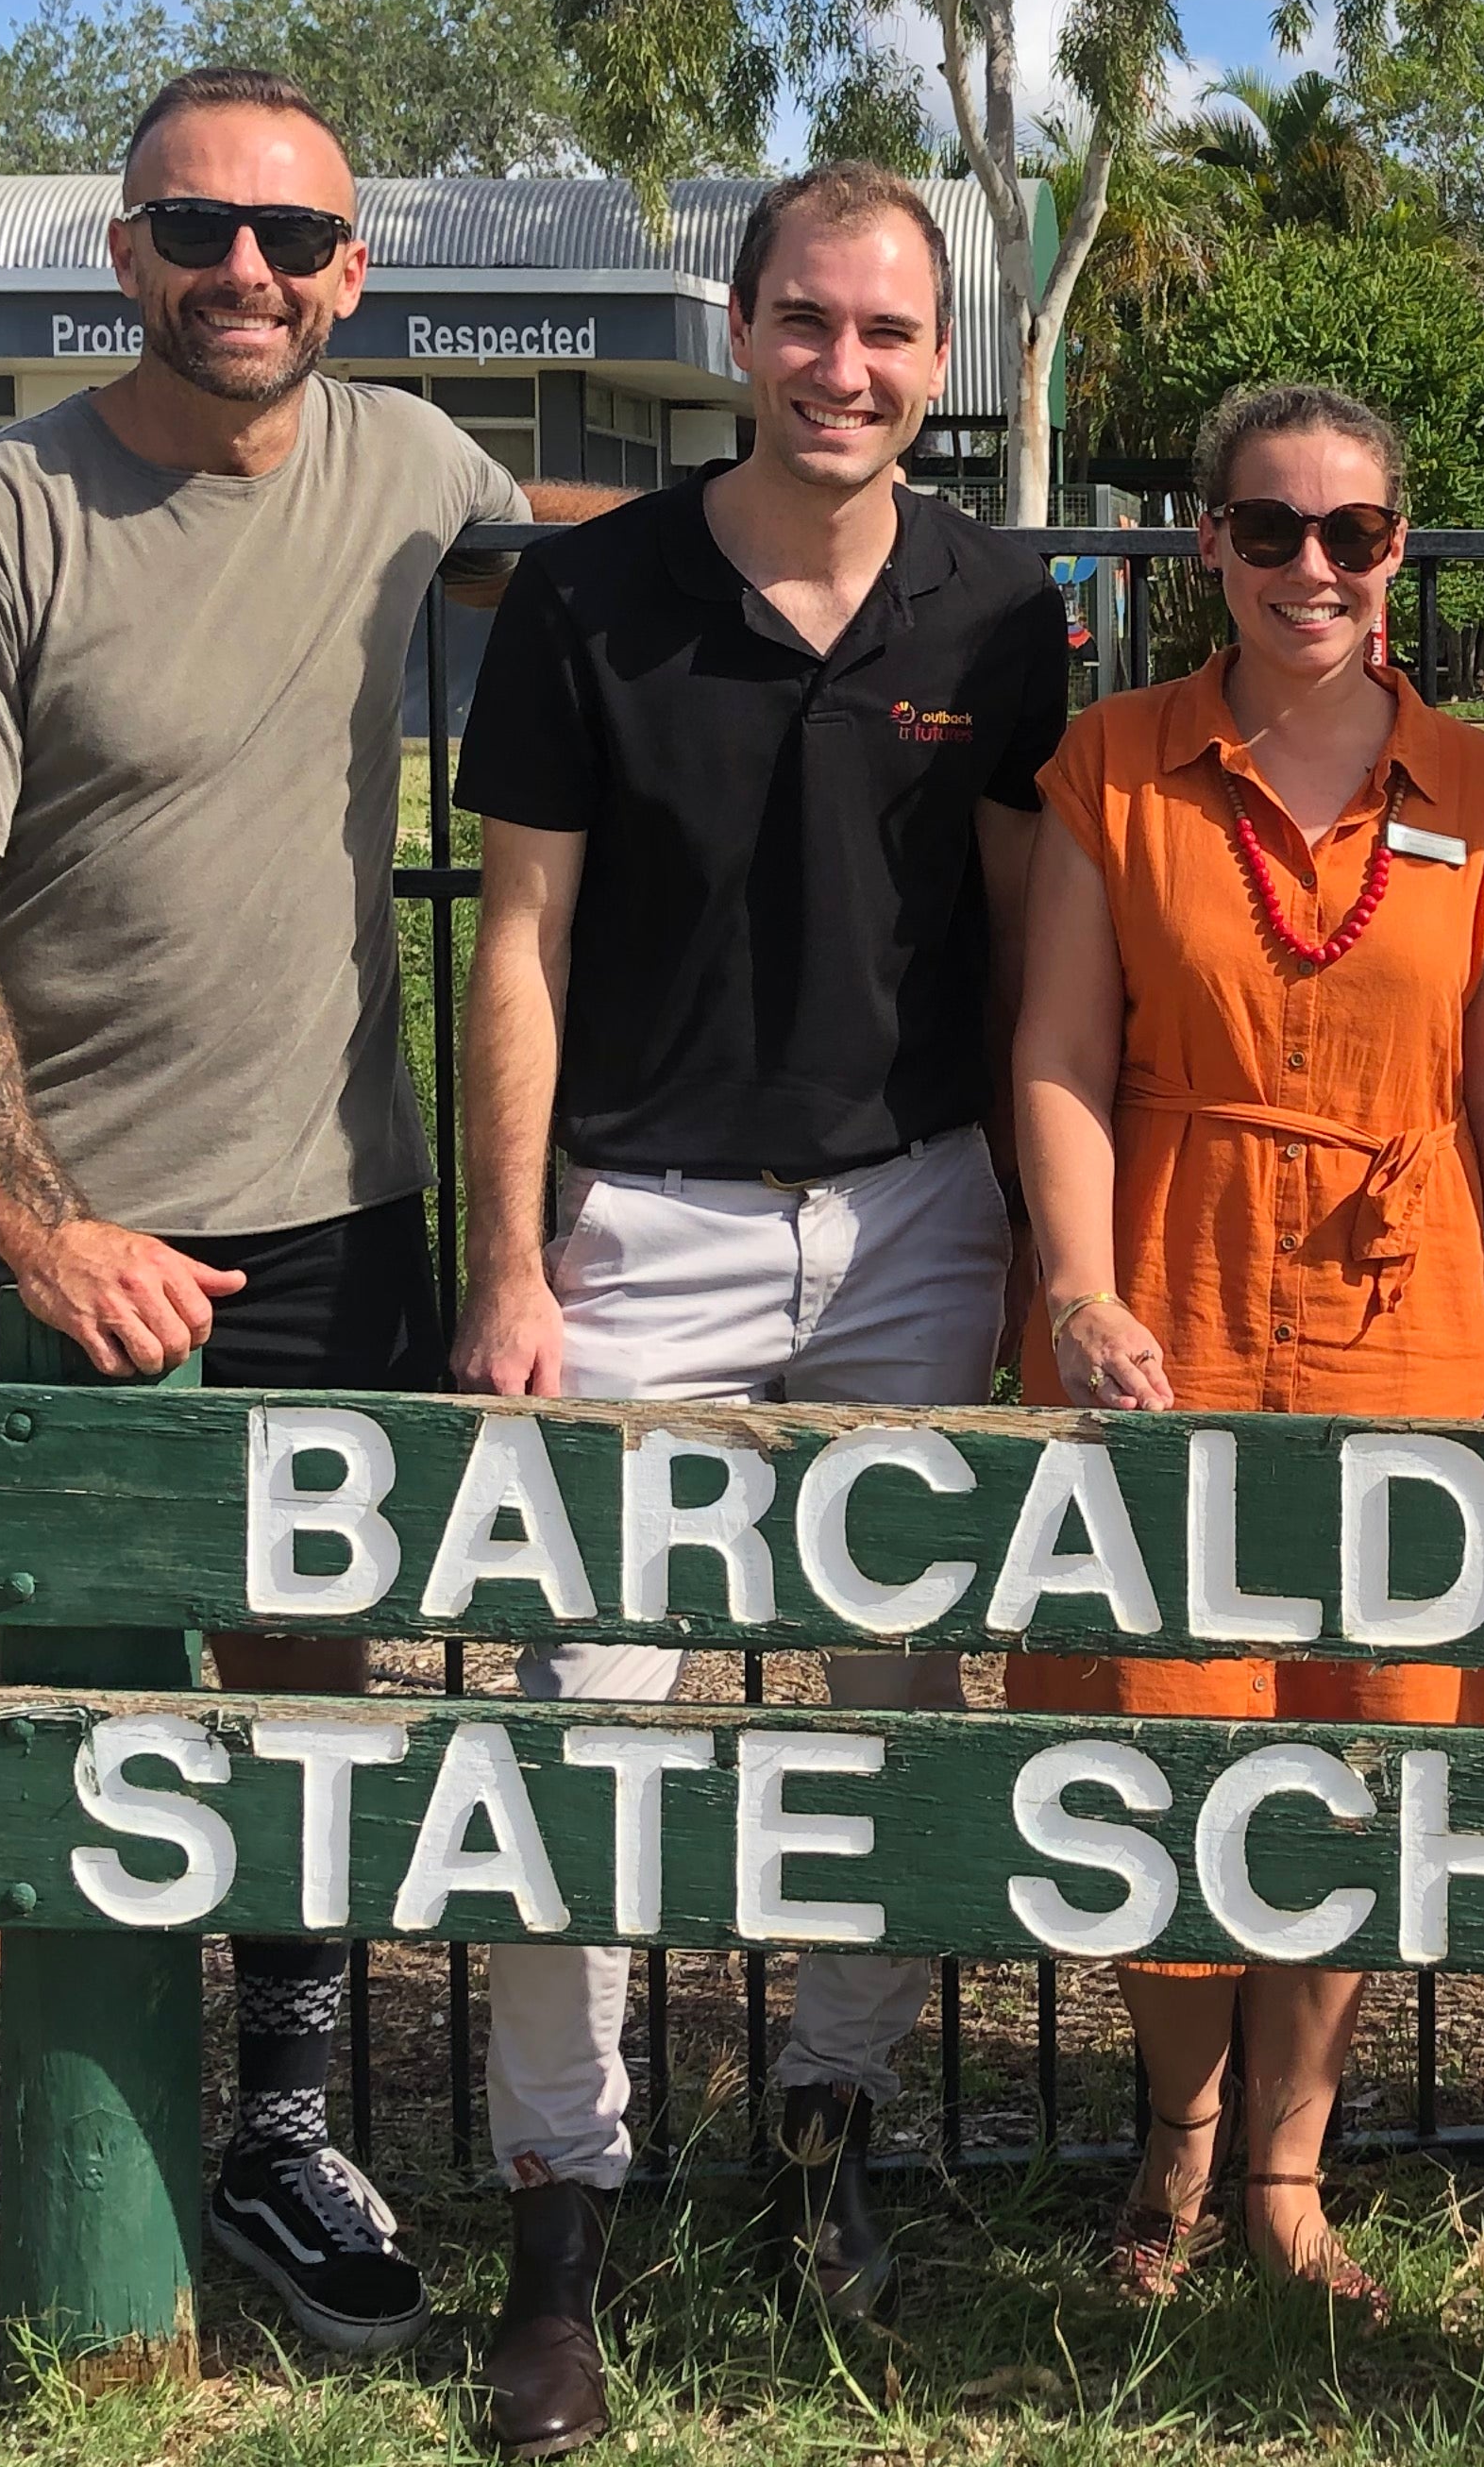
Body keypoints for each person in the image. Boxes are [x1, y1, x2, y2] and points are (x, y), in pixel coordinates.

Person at [0, 68, 599, 2408]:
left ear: (357, 272)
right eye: (198, 226)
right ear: (122, 248)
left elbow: (589, 545)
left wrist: (796, 514)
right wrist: (47, 1232)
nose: (248, 268)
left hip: (333, 1213)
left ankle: (285, 2133)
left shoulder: (405, 469)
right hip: (54, 1234)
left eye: (295, 235)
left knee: (311, 1680)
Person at [447, 160, 1069, 2452]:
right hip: (639, 1230)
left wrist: (1028, 1242)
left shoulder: (1005, 612)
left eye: (891, 336)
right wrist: (512, 1263)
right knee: (564, 1733)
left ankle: (827, 2143)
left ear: (942, 362)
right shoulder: (588, 600)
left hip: (913, 1219)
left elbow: (1026, 962)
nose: (847, 370)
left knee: (887, 1724)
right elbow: (513, 941)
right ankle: (559, 2226)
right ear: (739, 328)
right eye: (809, 324)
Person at [1011, 381, 1484, 2316]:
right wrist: (1082, 1292)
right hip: (1171, 1275)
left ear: (1400, 549)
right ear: (1209, 550)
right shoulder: (1116, 768)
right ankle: (1168, 2139)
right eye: (1270, 530)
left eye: (1351, 532)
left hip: (1409, 1299)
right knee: (1166, 1735)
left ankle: (1290, 2167)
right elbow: (1062, 1055)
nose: (1310, 568)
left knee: (1365, 1738)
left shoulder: (1480, 791)